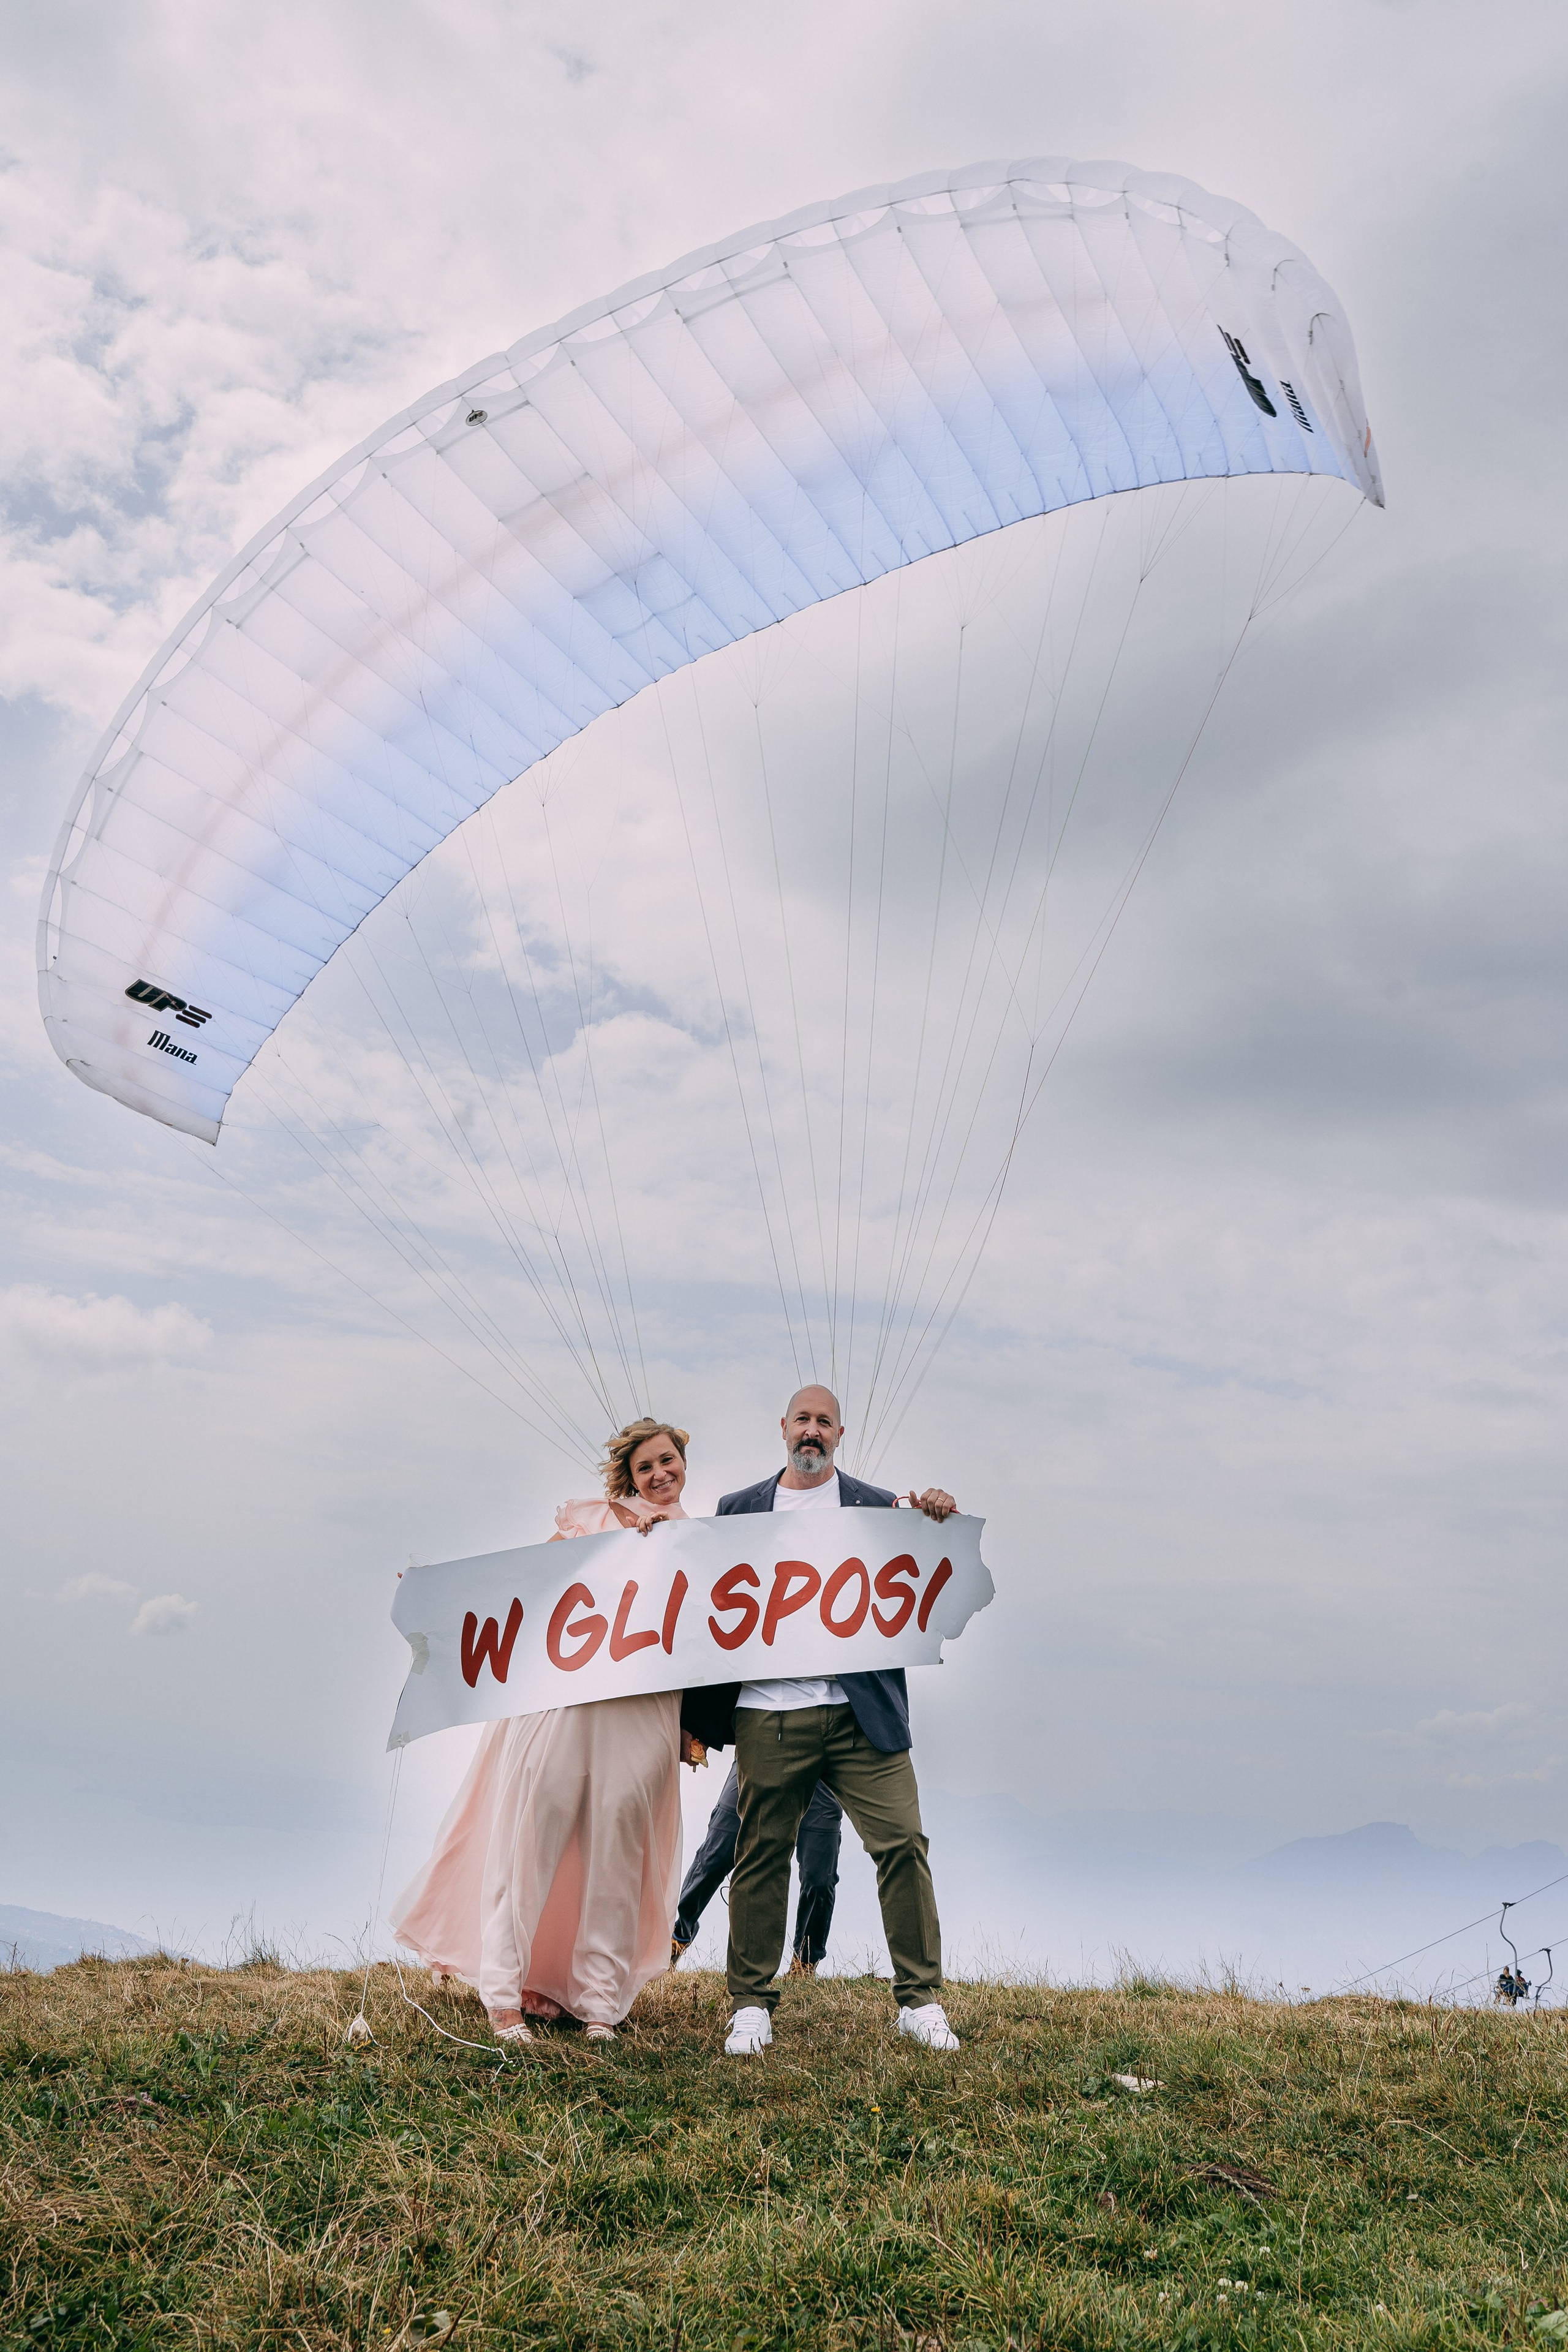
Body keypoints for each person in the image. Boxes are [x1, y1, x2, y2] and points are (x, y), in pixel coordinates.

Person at [390, 1417, 698, 2045]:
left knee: (619, 1849)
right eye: (646, 1467)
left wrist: (697, 1727)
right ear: (628, 1476)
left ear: (683, 1463)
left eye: (668, 1461)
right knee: (531, 1841)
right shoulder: (587, 1522)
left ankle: (600, 2006)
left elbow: (711, 1638)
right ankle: (502, 1996)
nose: (660, 1474)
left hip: (642, 1715)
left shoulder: (704, 1540)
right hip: (564, 1707)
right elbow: (521, 1592)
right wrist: (446, 1604)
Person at [698, 1383, 962, 2057]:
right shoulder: (738, 1511)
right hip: (768, 1712)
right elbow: (700, 1603)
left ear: (839, 1435)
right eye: (802, 1421)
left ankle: (920, 2000)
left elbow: (927, 1562)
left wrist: (933, 1514)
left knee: (901, 1843)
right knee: (761, 1854)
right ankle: (751, 2005)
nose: (811, 1432)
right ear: (781, 1428)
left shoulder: (879, 1508)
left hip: (858, 1712)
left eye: (824, 1423)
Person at [671, 1763, 842, 1974]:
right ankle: (677, 1936)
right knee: (715, 1854)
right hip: (757, 1755)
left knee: (820, 1878)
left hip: (820, 1770)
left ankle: (804, 1964)